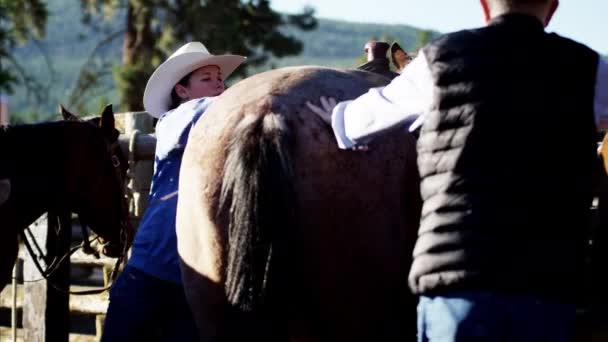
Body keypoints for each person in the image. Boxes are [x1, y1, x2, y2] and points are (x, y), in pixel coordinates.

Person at [307, 0, 608, 340]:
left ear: (483, 6)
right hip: (547, 283)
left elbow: (356, 123)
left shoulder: (438, 59)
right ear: (552, 8)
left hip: (456, 282)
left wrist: (336, 118)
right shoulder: (589, 68)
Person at [101, 42, 245, 341]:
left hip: (200, 279)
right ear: (182, 92)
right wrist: (248, 96)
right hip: (150, 273)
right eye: (207, 79)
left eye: (220, 78)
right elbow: (211, 112)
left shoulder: (230, 126)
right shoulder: (172, 122)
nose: (219, 83)